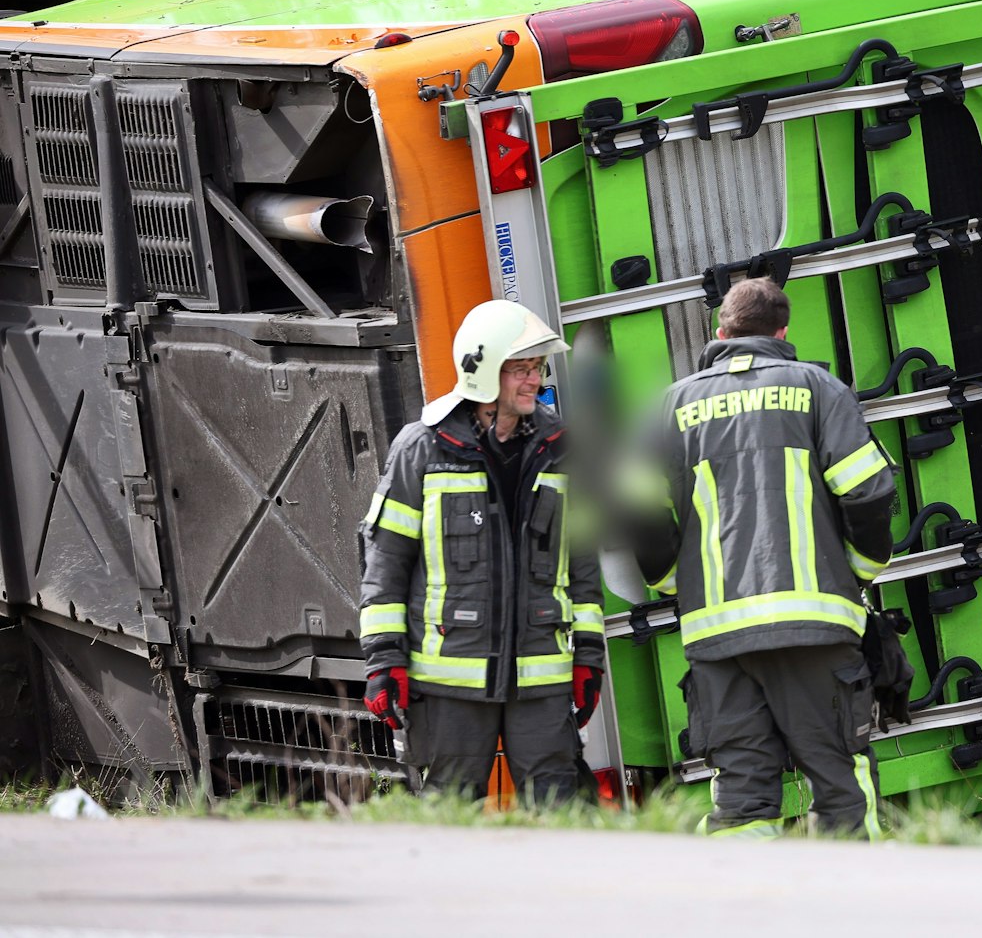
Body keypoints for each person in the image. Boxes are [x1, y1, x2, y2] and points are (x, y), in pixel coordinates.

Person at [630, 277, 897, 838]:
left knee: (741, 796)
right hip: (815, 627)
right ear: (782, 333)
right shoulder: (818, 389)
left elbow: (636, 511)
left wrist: (676, 584)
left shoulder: (669, 405)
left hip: (717, 636)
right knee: (840, 783)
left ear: (720, 331)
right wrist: (859, 572)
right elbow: (868, 491)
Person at [357, 300, 606, 803]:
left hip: (542, 678)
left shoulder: (563, 449)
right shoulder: (423, 449)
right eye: (521, 369)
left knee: (564, 818)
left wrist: (588, 657)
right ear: (483, 371)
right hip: (449, 683)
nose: (534, 380)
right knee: (450, 821)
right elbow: (385, 564)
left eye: (537, 368)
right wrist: (384, 661)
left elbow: (581, 567)